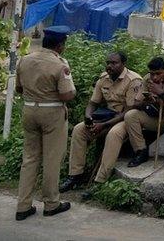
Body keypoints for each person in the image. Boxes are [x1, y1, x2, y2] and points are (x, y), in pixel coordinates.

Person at [15, 26, 77, 220]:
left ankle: (23, 206)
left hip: (29, 110)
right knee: (52, 159)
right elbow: (66, 94)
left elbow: (18, 88)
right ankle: (51, 203)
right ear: (60, 46)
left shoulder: (24, 60)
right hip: (52, 112)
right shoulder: (60, 65)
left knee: (30, 159)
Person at [60, 51, 143, 193]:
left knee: (114, 134)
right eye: (108, 63)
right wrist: (88, 117)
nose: (109, 66)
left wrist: (104, 125)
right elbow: (93, 103)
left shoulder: (133, 80)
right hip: (106, 116)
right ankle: (75, 175)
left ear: (123, 64)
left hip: (124, 118)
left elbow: (128, 111)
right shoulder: (104, 78)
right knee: (79, 130)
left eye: (114, 63)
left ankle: (100, 180)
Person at [124, 57, 164, 167]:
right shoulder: (147, 79)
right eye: (152, 73)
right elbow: (136, 103)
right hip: (155, 117)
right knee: (130, 115)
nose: (154, 77)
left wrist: (161, 93)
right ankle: (141, 151)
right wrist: (147, 102)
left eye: (158, 73)